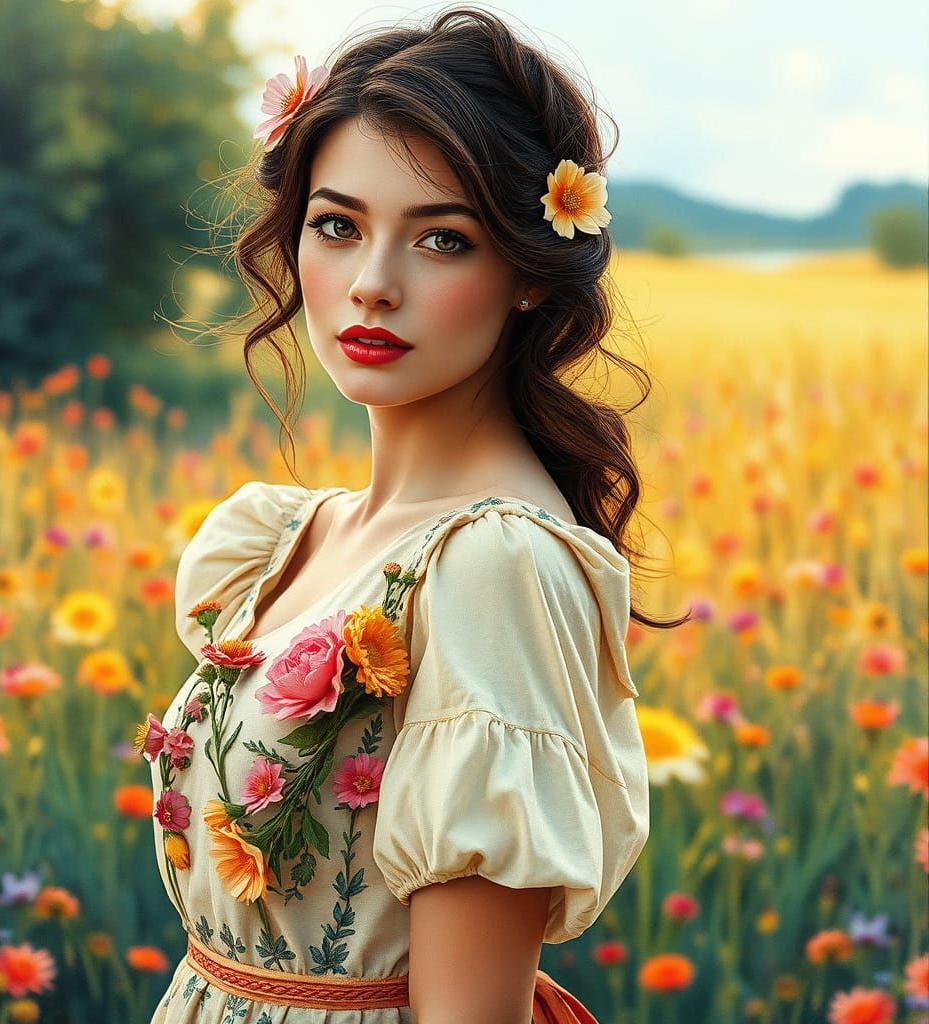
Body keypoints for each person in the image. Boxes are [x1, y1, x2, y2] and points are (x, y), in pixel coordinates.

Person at [143, 7, 688, 1022]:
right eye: (337, 226)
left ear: (528, 274)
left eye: (443, 239)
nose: (372, 286)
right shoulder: (292, 537)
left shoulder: (493, 566)